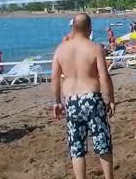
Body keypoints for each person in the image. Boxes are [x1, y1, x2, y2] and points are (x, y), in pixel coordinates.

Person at [51, 13, 115, 179]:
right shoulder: (95, 48)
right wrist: (111, 99)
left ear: (73, 27)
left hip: (71, 101)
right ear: (89, 28)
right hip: (92, 98)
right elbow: (104, 76)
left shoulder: (60, 49)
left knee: (76, 146)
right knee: (102, 142)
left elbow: (54, 78)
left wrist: (57, 102)